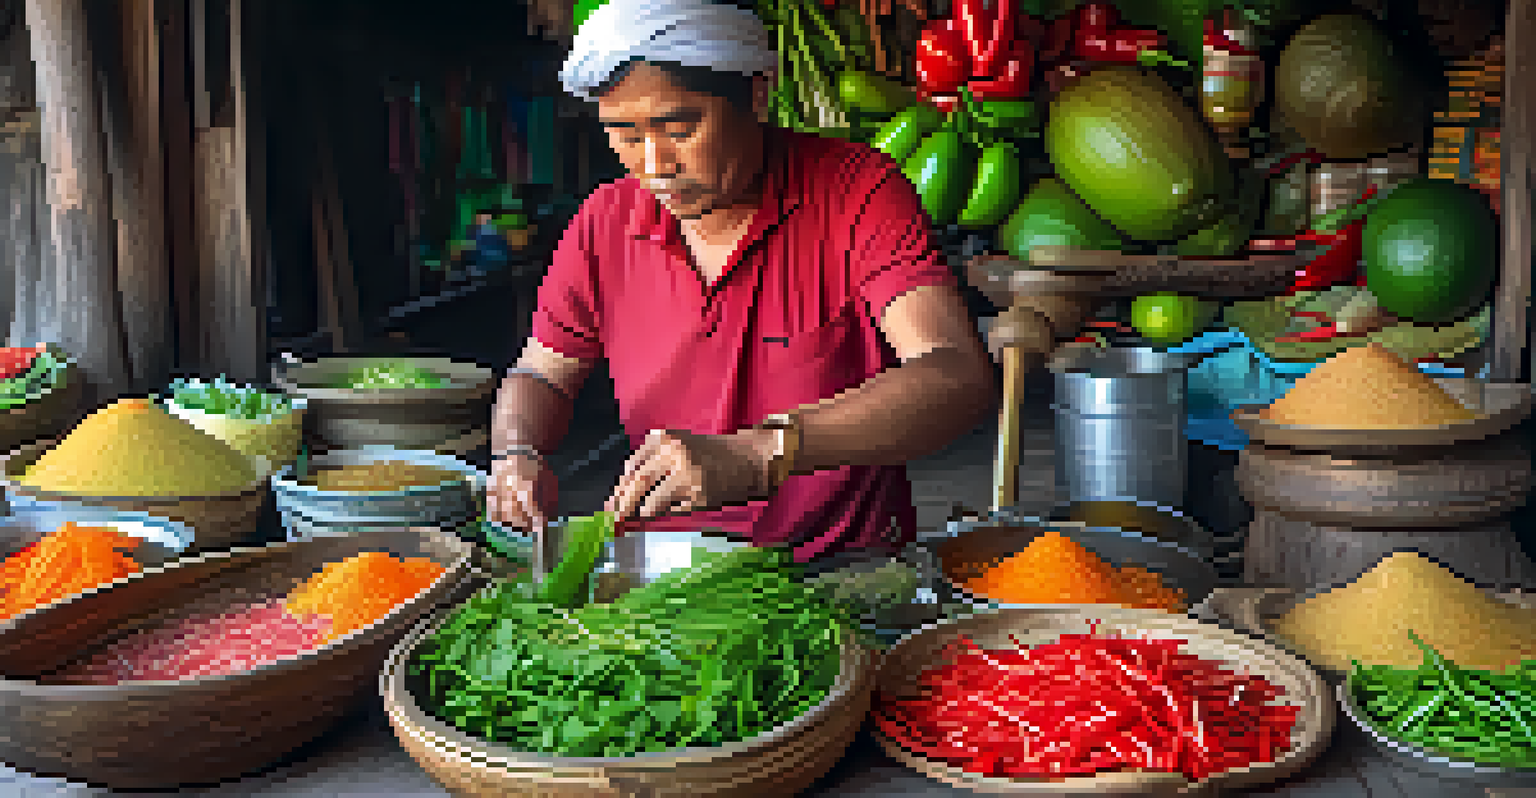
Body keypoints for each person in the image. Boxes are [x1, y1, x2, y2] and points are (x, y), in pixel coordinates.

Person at [485, 0, 997, 561]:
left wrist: (764, 452)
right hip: (664, 573)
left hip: (841, 568)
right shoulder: (604, 224)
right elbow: (543, 373)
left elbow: (954, 373)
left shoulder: (858, 192)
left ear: (756, 93)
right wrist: (517, 453)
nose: (654, 164)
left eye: (679, 128)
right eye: (624, 135)